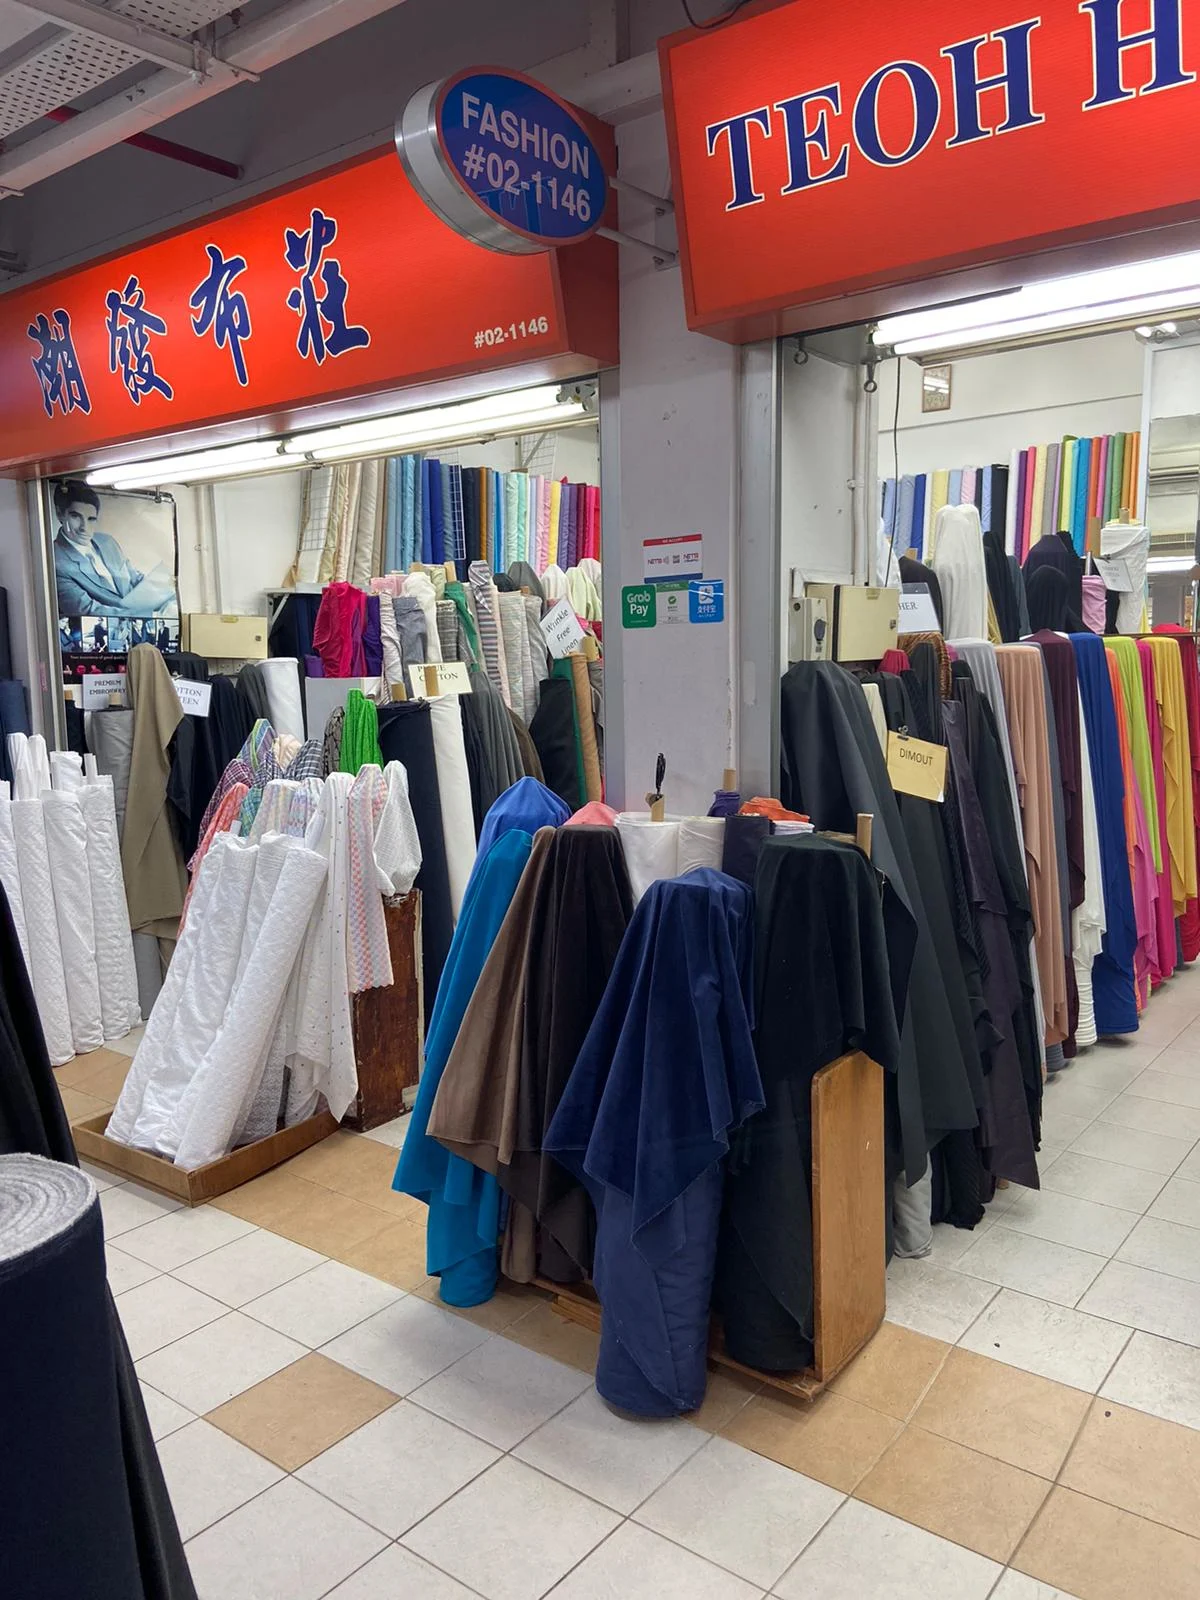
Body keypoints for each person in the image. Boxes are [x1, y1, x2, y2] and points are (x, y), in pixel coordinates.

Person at [52, 481, 175, 618]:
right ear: (60, 514)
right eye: (75, 516)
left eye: (91, 519)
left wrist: (167, 598)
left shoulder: (107, 542)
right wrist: (152, 616)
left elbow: (135, 579)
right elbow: (88, 611)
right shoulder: (54, 561)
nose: (84, 528)